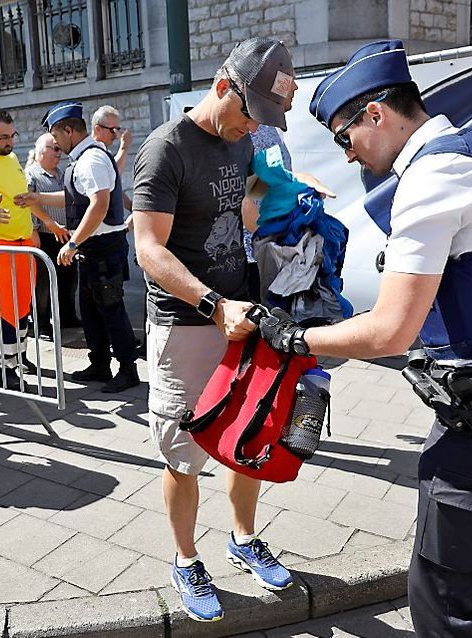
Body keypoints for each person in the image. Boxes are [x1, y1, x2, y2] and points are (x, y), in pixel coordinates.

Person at [243, 39, 472, 637]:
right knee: (470, 570)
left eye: (345, 138)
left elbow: (390, 329)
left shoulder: (434, 178)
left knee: (443, 598)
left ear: (376, 113)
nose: (347, 158)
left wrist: (296, 337)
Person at [131, 38, 299, 622]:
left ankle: (243, 537)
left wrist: (258, 202)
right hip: (187, 324)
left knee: (248, 437)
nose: (254, 128)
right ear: (224, 86)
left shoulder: (245, 138)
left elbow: (255, 183)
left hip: (242, 315)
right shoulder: (164, 150)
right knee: (183, 454)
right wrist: (211, 304)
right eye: (251, 113)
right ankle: (185, 558)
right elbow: (148, 249)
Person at [18, 103, 139, 392]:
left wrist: (73, 242)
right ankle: (99, 364)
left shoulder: (91, 160)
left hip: (102, 246)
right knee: (92, 309)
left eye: (56, 136)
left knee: (111, 309)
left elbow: (99, 204)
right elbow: (74, 198)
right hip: (93, 247)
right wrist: (36, 198)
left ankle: (127, 369)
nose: (56, 146)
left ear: (69, 130)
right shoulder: (83, 158)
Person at [0, 110, 61, 390]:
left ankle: (16, 360)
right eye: (4, 137)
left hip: (24, 246)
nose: (10, 141)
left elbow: (24, 202)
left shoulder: (15, 159)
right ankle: (3, 371)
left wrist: (45, 225)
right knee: (4, 310)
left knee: (21, 309)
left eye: (13, 136)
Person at [23, 133, 81, 339]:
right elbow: (26, 206)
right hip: (44, 236)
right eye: (54, 149)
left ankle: (67, 316)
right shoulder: (30, 175)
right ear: (41, 151)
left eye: (59, 149)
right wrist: (34, 231)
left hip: (65, 236)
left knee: (68, 278)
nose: (59, 153)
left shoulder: (63, 174)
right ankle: (41, 324)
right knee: (43, 283)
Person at [91, 105, 134, 174]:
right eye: (112, 130)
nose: (115, 134)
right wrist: (124, 147)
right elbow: (113, 174)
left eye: (117, 129)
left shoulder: (102, 150)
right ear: (98, 129)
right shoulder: (92, 154)